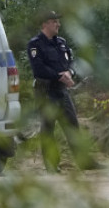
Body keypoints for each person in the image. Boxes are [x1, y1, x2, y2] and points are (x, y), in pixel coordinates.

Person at [27, 11, 87, 172]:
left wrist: (70, 73)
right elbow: (38, 69)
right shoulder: (35, 44)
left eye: (58, 21)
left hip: (61, 90)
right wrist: (59, 76)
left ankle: (84, 161)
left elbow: (71, 62)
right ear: (44, 24)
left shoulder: (61, 42)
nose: (58, 24)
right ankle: (52, 165)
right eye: (54, 21)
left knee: (72, 125)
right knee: (48, 128)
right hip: (45, 91)